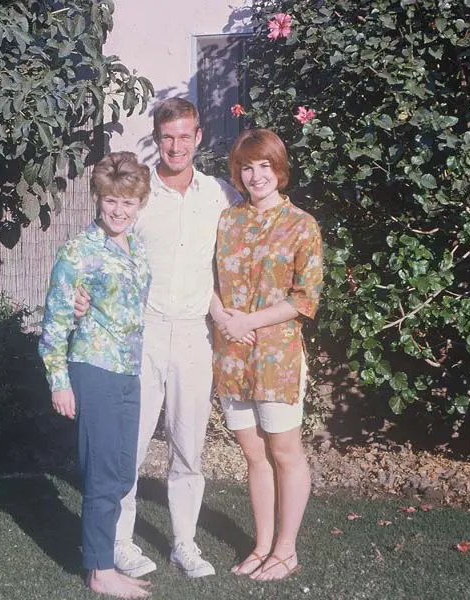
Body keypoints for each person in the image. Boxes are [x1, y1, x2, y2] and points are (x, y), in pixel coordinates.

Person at [76, 98, 243, 578]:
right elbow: (99, 242)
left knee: (189, 446)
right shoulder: (141, 193)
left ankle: (184, 542)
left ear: (199, 137)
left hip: (194, 334)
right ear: (157, 139)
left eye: (184, 136)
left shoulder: (220, 195)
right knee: (130, 445)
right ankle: (121, 541)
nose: (176, 146)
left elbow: (239, 251)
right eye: (167, 137)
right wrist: (82, 291)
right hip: (142, 332)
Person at [39, 151, 154, 599]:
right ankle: (99, 570)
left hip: (128, 372)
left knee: (123, 472)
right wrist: (60, 383)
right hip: (95, 369)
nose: (119, 210)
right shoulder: (78, 251)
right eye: (111, 200)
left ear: (139, 203)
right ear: (97, 198)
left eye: (128, 202)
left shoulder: (136, 247)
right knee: (104, 474)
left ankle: (103, 559)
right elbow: (54, 323)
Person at [212, 128, 324, 581]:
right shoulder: (227, 220)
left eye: (265, 166)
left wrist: (249, 322)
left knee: (284, 451)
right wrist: (225, 319)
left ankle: (286, 550)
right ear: (237, 172)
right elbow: (203, 278)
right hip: (232, 352)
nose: (256, 176)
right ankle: (261, 546)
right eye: (247, 167)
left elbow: (305, 298)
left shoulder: (302, 224)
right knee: (253, 454)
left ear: (280, 170)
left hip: (277, 356)